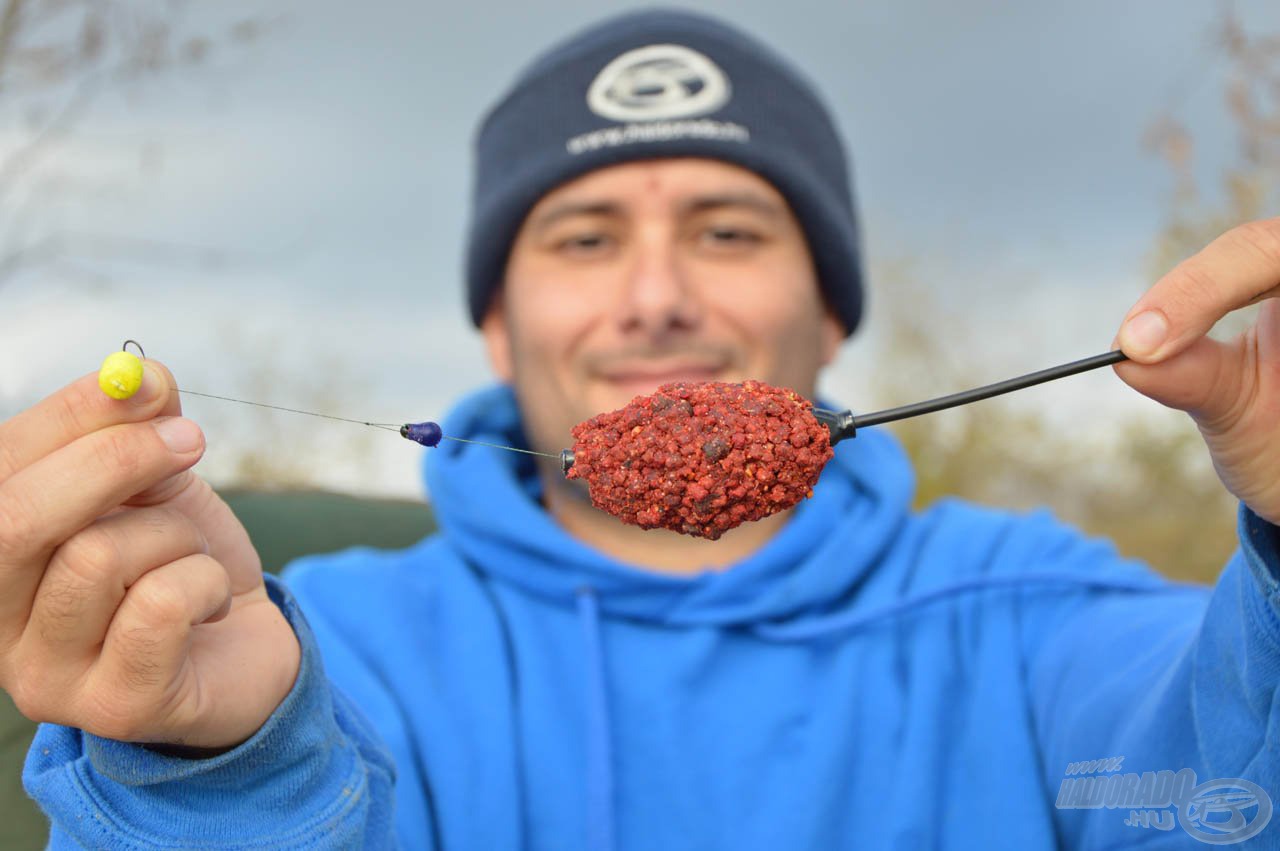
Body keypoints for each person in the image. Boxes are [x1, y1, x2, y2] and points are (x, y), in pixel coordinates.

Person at [4, 9, 1279, 849]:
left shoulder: (1027, 615)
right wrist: (222, 769)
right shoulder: (312, 647)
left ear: (829, 311)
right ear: (497, 324)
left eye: (728, 230)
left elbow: (1226, 780)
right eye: (583, 237)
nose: (657, 293)